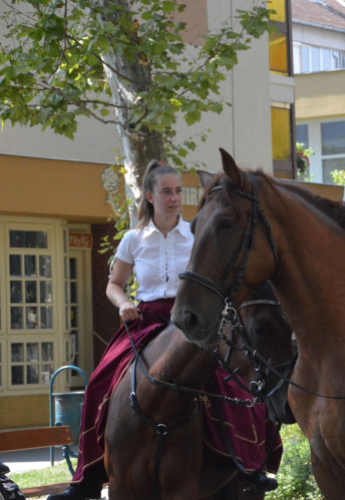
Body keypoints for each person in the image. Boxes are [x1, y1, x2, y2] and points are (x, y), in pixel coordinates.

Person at [49, 161, 278, 500]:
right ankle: (87, 480)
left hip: (191, 320)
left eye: (178, 191)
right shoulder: (133, 239)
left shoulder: (196, 232)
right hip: (146, 321)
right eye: (167, 192)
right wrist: (122, 303)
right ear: (150, 196)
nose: (174, 198)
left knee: (237, 382)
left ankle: (249, 466)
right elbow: (115, 284)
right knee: (100, 381)